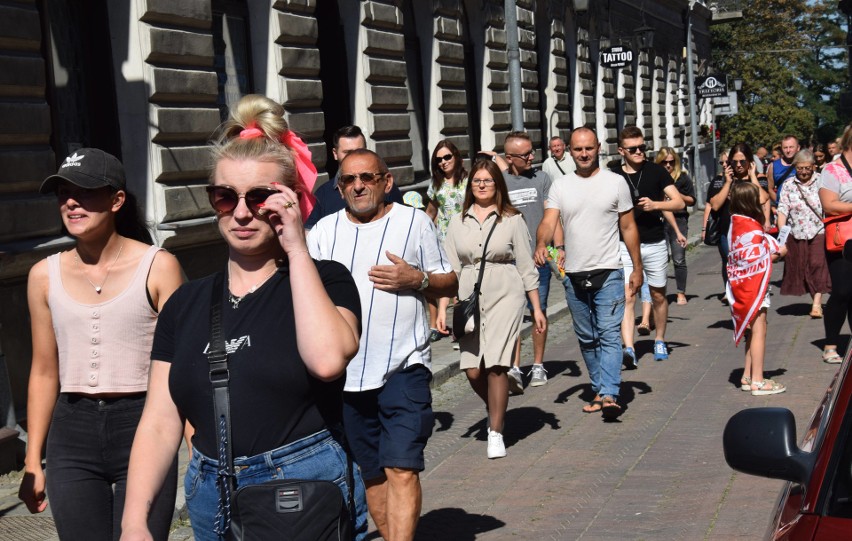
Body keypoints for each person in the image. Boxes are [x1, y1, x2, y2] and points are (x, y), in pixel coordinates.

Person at [119, 95, 368, 541]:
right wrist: (134, 520)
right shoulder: (186, 303)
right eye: (224, 196)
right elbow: (160, 420)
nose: (241, 212)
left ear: (292, 200)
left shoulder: (326, 281)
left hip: (302, 492)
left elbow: (328, 360)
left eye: (260, 197)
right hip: (211, 492)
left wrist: (295, 246)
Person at [18, 148, 184, 540]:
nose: (71, 201)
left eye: (85, 191)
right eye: (63, 193)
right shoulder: (43, 275)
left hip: (144, 423)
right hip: (71, 432)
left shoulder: (158, 266)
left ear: (116, 200)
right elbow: (43, 370)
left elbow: (182, 365)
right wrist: (32, 461)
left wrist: (199, 450)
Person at [307, 148, 457, 541]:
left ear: (386, 182)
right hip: (347, 375)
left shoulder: (414, 223)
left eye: (367, 178)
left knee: (402, 468)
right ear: (339, 189)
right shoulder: (322, 233)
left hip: (404, 366)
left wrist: (418, 280)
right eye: (348, 180)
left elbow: (450, 280)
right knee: (371, 473)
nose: (358, 186)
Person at [438, 159, 546, 458]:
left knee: (497, 363)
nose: (482, 185)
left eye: (488, 180)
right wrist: (443, 308)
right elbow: (450, 269)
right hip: (469, 295)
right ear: (470, 186)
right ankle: (497, 405)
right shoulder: (458, 222)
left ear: (498, 185)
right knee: (473, 370)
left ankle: (495, 432)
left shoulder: (512, 219)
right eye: (477, 181)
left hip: (505, 292)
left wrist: (536, 308)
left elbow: (526, 266)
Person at [535, 127, 643, 418]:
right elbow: (548, 221)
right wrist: (541, 243)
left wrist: (637, 267)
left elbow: (629, 227)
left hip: (609, 270)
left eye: (589, 148)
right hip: (573, 274)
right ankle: (600, 387)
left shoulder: (616, 182)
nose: (584, 154)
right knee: (586, 336)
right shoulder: (561, 186)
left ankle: (609, 392)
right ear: (570, 151)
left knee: (608, 334)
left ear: (599, 149)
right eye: (578, 149)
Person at [487, 131, 559, 391]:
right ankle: (515, 367)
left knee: (538, 311)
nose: (531, 157)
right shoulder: (499, 183)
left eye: (532, 151)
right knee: (513, 316)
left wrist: (556, 248)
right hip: (508, 262)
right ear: (510, 158)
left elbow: (553, 216)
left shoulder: (543, 179)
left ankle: (538, 365)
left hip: (537, 260)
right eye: (525, 154)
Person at [610, 127, 684, 365]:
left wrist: (655, 205)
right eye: (633, 149)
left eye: (643, 147)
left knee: (658, 295)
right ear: (622, 151)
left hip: (654, 242)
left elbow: (679, 202)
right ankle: (629, 347)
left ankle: (660, 338)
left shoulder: (656, 172)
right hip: (624, 244)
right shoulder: (613, 176)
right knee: (628, 296)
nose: (640, 151)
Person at [727, 182, 787, 395]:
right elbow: (761, 258)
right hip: (754, 287)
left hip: (740, 286)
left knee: (751, 330)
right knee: (759, 329)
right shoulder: (751, 227)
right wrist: (780, 252)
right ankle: (758, 381)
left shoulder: (735, 224)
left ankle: (747, 374)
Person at [304, 125, 403, 228]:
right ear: (335, 153)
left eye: (359, 151)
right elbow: (310, 233)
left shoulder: (383, 185)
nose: (354, 157)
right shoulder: (323, 194)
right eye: (347, 152)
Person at [776, 149, 831, 320]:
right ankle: (814, 298)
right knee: (802, 268)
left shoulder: (821, 181)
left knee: (817, 265)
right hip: (796, 233)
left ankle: (816, 304)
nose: (804, 172)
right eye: (800, 168)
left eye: (808, 168)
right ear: (795, 167)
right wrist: (781, 237)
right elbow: (783, 210)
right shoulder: (789, 184)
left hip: (818, 231)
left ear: (813, 166)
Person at [424, 140, 469, 343]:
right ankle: (445, 324)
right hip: (443, 239)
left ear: (456, 156)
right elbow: (431, 212)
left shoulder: (469, 181)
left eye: (447, 157)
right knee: (448, 282)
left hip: (467, 236)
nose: (443, 162)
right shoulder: (436, 184)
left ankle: (463, 327)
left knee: (464, 283)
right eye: (439, 159)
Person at [708, 144, 771, 286]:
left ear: (750, 161)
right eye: (734, 162)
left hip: (751, 233)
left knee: (750, 266)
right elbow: (715, 205)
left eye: (742, 161)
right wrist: (728, 182)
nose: (738, 165)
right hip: (729, 232)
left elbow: (762, 198)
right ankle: (735, 295)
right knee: (732, 265)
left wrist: (753, 176)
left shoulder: (758, 179)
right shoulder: (721, 180)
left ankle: (750, 295)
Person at [818, 123, 852, 364]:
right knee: (842, 291)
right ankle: (830, 344)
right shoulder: (833, 169)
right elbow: (829, 204)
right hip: (843, 240)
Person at [656, 147, 695, 305]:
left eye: (671, 162)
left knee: (678, 258)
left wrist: (677, 196)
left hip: (679, 219)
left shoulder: (683, 178)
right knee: (660, 259)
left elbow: (692, 200)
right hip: (659, 221)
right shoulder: (656, 177)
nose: (668, 165)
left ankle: (681, 292)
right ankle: (660, 293)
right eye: (664, 162)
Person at [767, 135, 800, 204]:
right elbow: (770, 189)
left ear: (798, 148)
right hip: (782, 208)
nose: (788, 150)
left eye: (791, 147)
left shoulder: (805, 163)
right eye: (785, 148)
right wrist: (780, 204)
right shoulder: (774, 166)